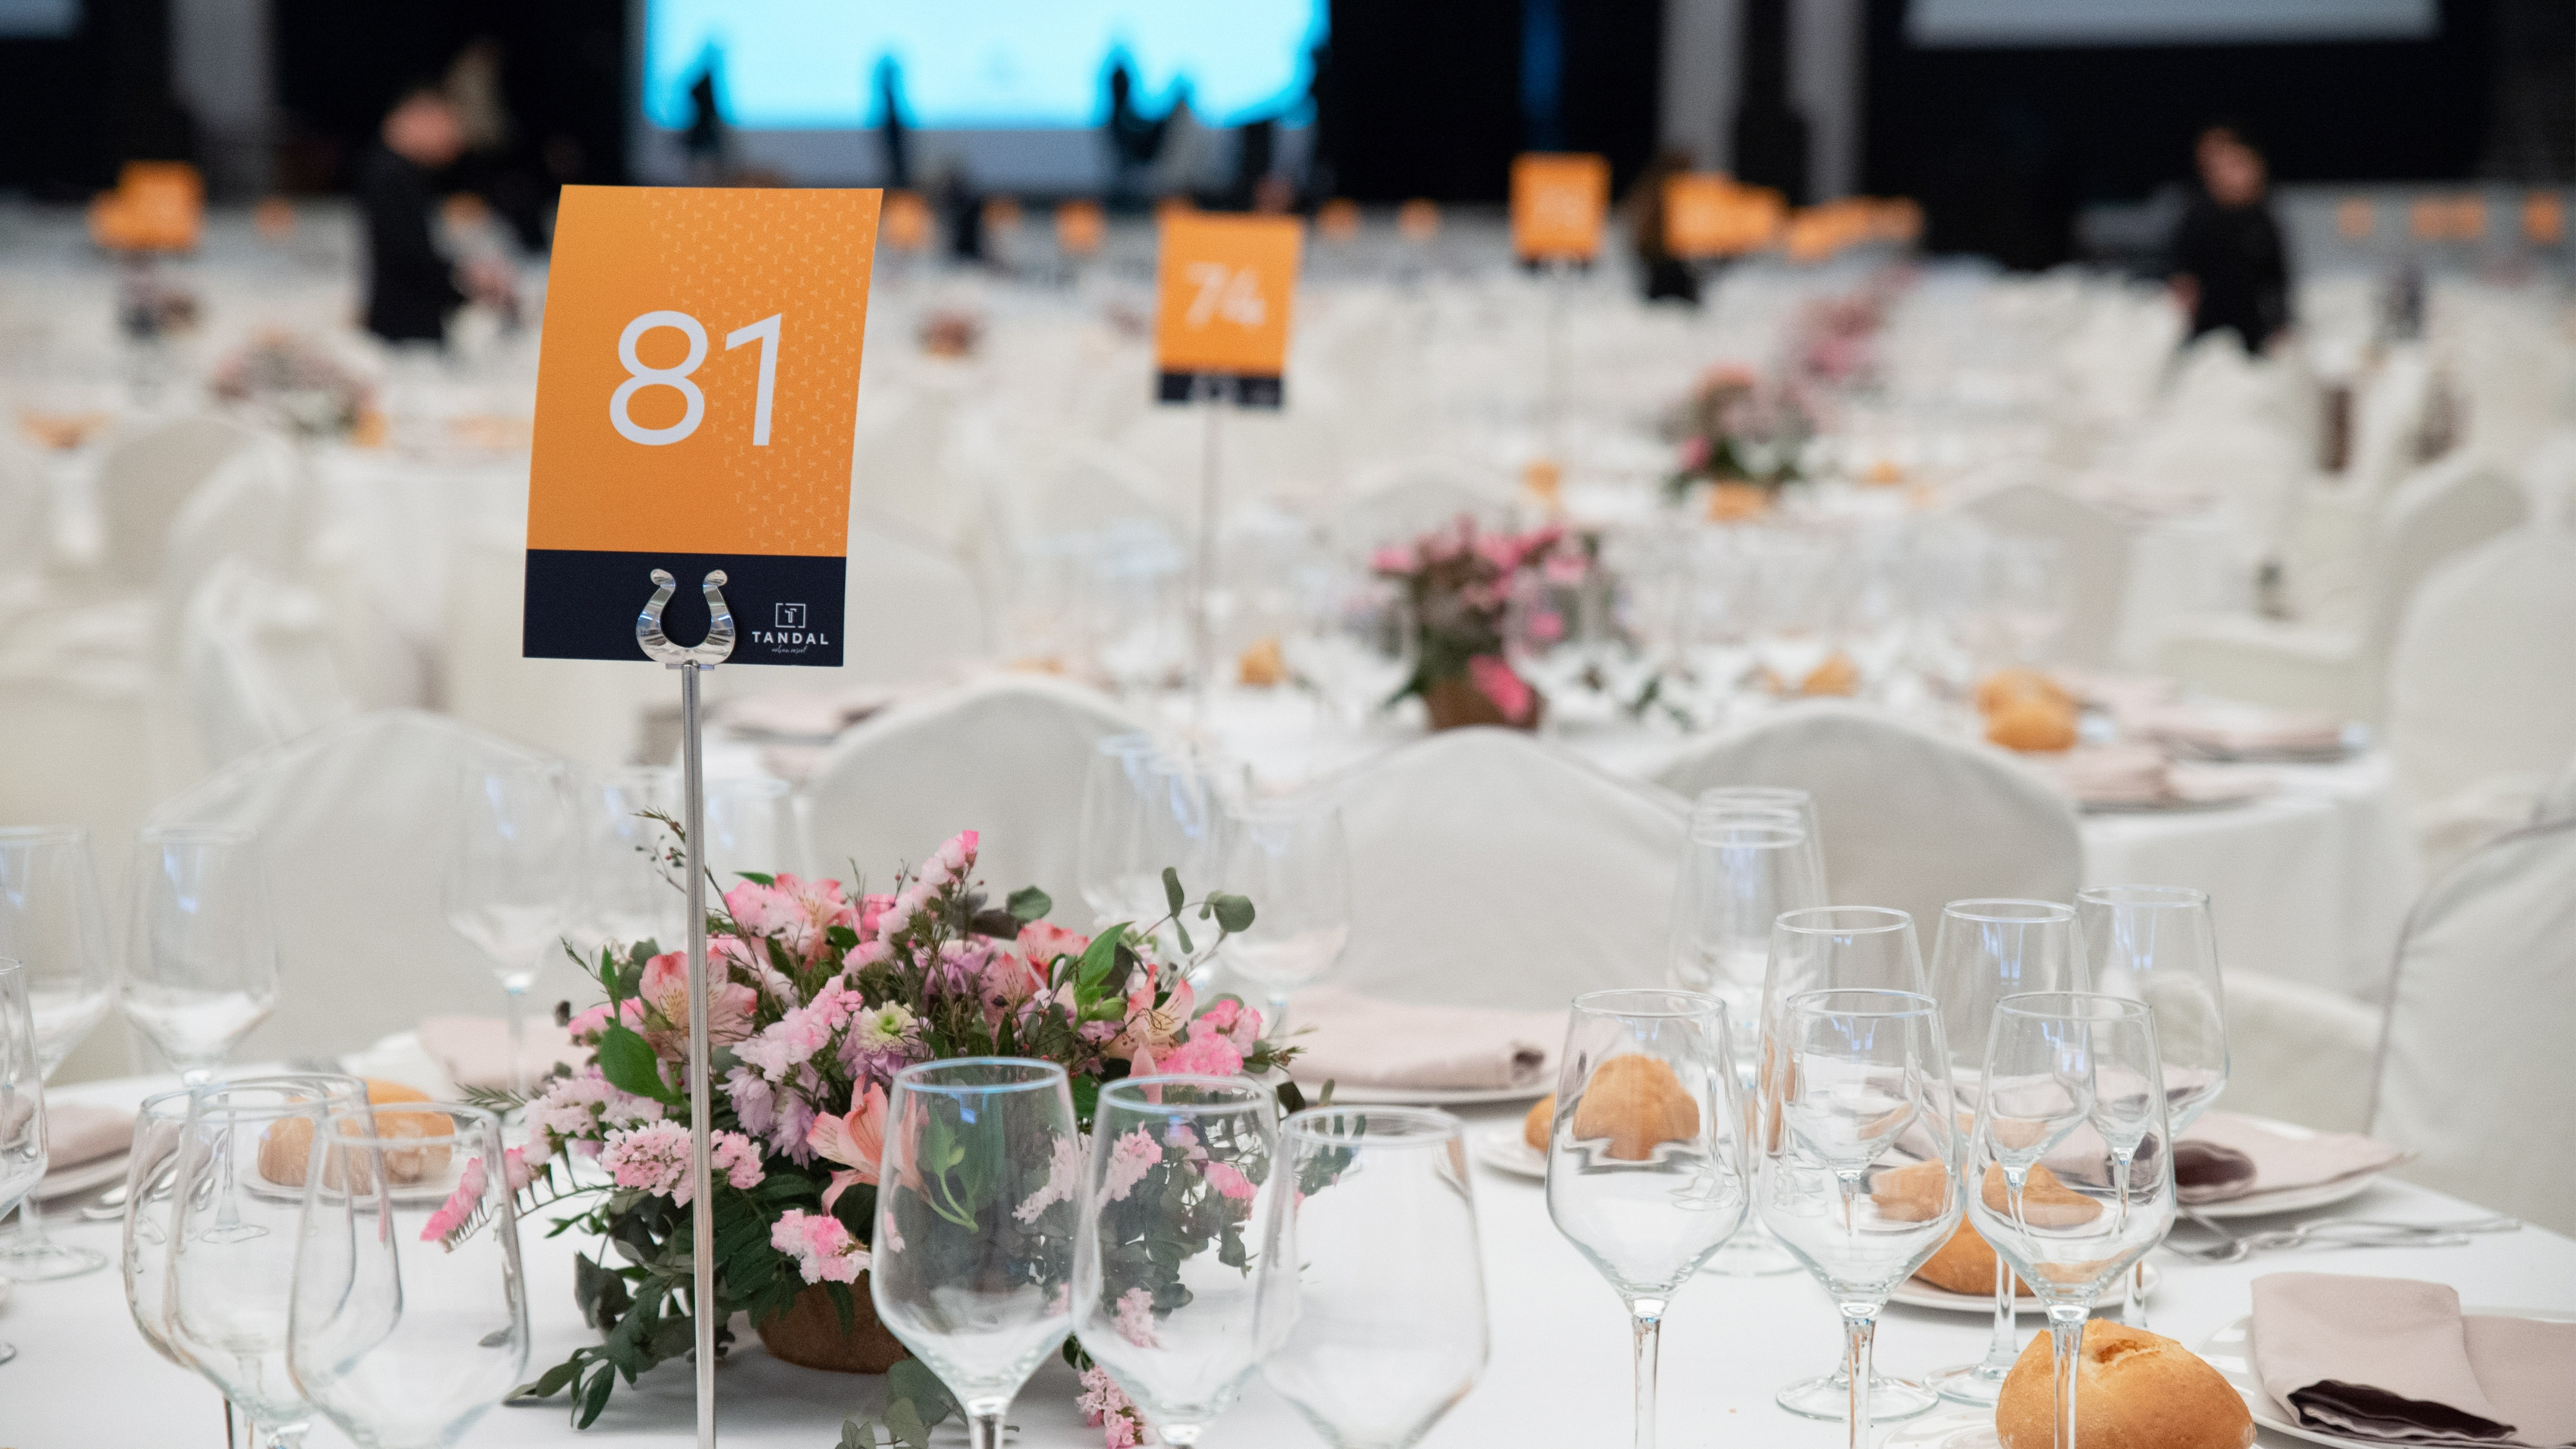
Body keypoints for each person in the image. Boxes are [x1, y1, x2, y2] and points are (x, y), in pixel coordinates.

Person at [355, 86, 513, 346]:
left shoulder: (398, 172)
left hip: (406, 322)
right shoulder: (391, 175)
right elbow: (409, 255)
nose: (454, 139)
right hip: (404, 329)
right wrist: (466, 279)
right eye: (446, 124)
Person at [2169, 125, 2291, 353]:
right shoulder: (2199, 215)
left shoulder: (2261, 218)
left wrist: (2281, 324)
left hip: (2251, 326)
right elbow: (2183, 272)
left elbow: (2276, 277)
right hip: (2209, 324)